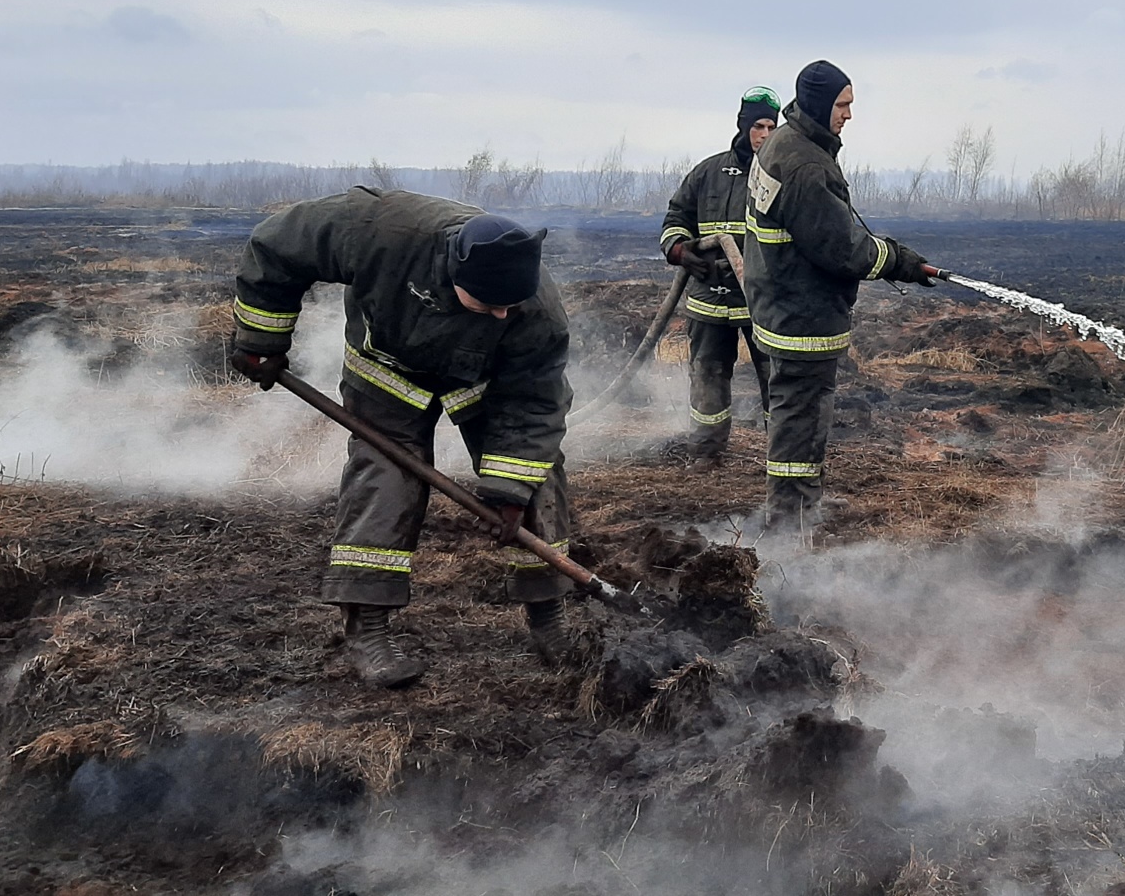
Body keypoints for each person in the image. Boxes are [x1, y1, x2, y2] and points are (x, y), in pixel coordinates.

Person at [227, 187, 577, 688]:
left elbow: (536, 402)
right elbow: (276, 247)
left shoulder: (535, 309)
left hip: (482, 381)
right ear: (454, 271)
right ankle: (367, 629)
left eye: (509, 307)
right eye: (487, 304)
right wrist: (261, 339)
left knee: (539, 478)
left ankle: (548, 617)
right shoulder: (379, 231)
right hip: (386, 371)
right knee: (385, 480)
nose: (502, 314)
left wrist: (510, 490)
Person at [743, 60, 935, 529]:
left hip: (778, 304)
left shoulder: (783, 145)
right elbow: (841, 249)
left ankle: (791, 510)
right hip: (802, 317)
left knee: (792, 413)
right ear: (819, 103)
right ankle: (792, 524)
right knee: (801, 423)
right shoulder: (807, 165)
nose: (849, 115)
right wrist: (900, 262)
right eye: (843, 105)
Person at [660, 86, 780, 466]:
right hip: (709, 299)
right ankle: (706, 454)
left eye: (772, 127)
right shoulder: (709, 172)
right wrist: (680, 250)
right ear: (743, 127)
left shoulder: (782, 175)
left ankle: (782, 455)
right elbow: (676, 217)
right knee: (708, 375)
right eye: (759, 126)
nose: (764, 134)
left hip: (763, 301)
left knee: (775, 379)